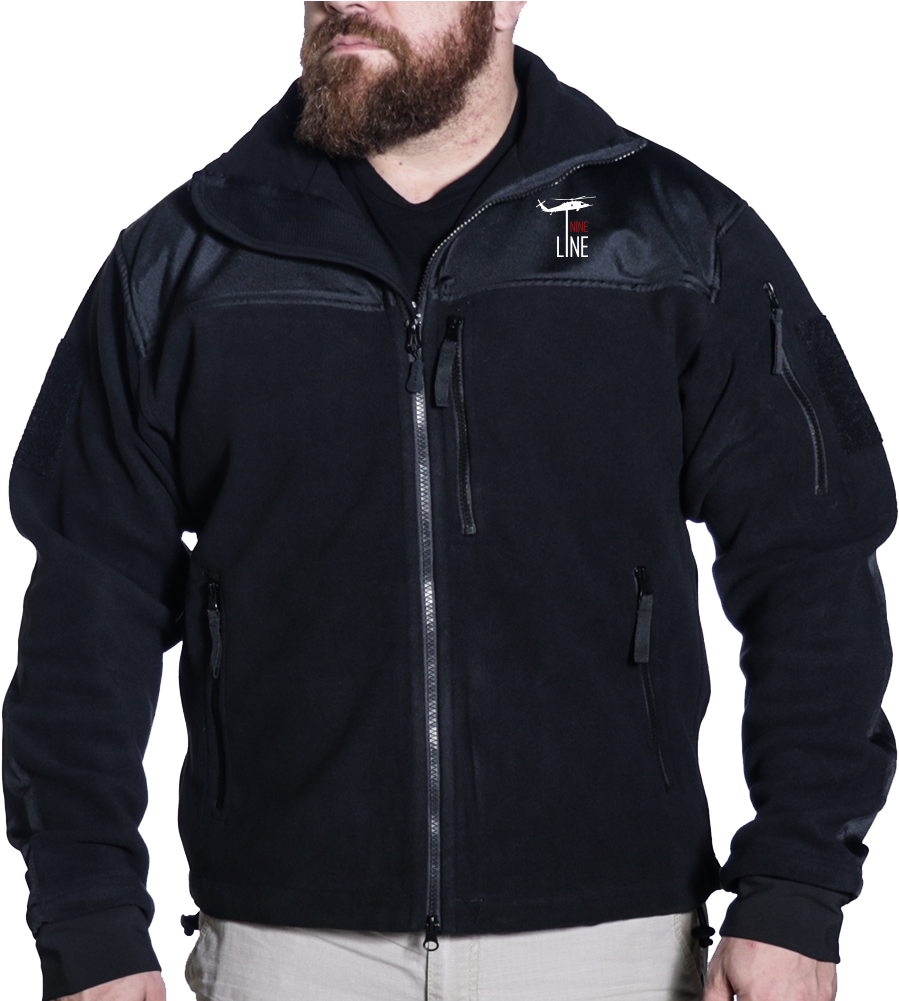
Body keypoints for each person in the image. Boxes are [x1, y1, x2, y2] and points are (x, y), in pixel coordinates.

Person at [4, 2, 895, 999]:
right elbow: (89, 600)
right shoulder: (185, 257)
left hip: (608, 946)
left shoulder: (674, 236)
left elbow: (812, 557)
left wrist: (795, 885)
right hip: (284, 949)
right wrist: (87, 917)